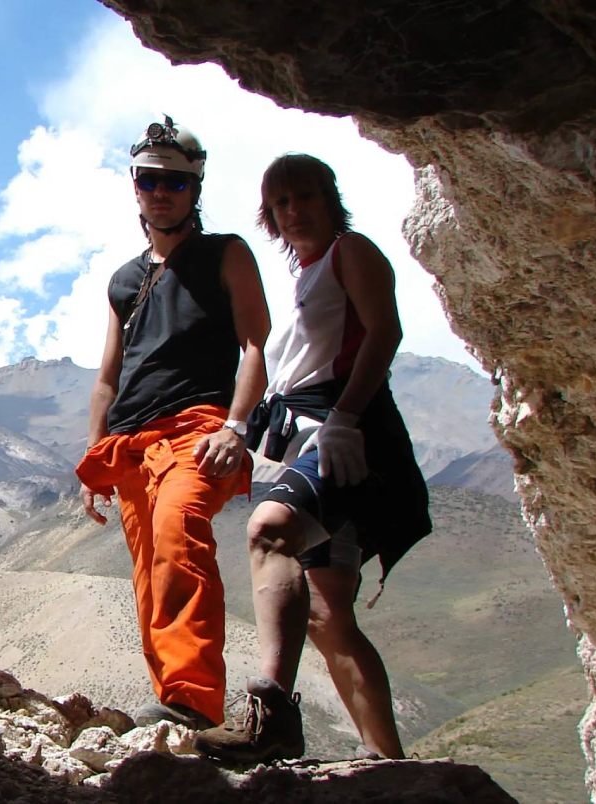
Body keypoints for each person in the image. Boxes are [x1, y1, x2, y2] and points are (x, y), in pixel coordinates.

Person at [194, 153, 432, 763]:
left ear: (330, 200)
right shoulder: (306, 273)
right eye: (281, 204)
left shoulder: (350, 252)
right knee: (327, 614)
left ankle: (270, 717)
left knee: (271, 530)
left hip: (349, 427)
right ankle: (389, 759)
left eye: (306, 198)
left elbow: (385, 332)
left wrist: (349, 416)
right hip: (319, 432)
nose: (295, 212)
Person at [75, 116, 271, 732]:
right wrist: (94, 457)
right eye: (149, 180)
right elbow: (109, 377)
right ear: (134, 186)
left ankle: (192, 698)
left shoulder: (226, 254)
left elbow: (257, 346)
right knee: (148, 569)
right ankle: (174, 710)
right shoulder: (123, 281)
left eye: (176, 183)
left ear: (196, 188)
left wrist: (236, 428)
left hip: (201, 427)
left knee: (178, 532)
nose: (162, 192)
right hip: (130, 443)